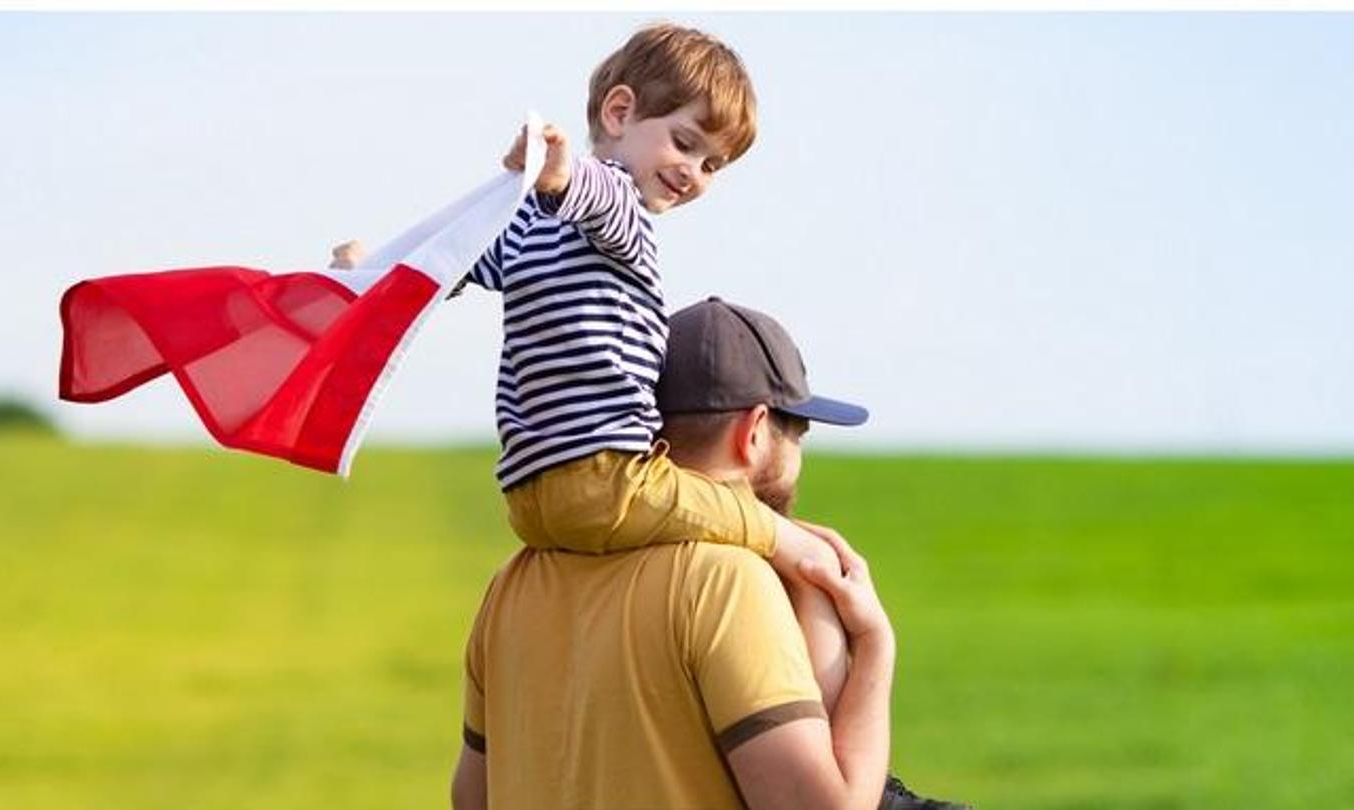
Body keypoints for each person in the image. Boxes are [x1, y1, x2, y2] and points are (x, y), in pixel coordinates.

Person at [338, 22, 860, 714]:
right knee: (746, 518)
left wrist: (377, 275)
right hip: (607, 474)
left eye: (713, 165)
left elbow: (459, 264)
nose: (693, 174)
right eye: (685, 142)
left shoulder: (532, 225)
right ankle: (806, 574)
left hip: (531, 498)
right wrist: (557, 172)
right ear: (619, 113)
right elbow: (592, 202)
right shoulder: (619, 213)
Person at [449, 298, 967, 810]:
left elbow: (472, 799)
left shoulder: (510, 585)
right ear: (755, 432)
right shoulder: (725, 581)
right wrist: (875, 648)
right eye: (798, 433)